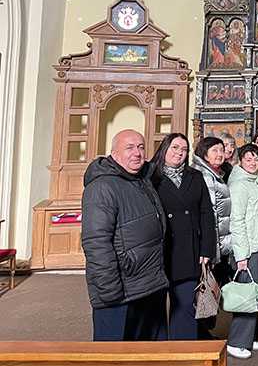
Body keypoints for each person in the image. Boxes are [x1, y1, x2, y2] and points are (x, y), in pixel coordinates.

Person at [81, 129, 167, 341]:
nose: (137, 153)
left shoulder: (143, 180)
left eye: (140, 147)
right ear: (114, 154)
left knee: (148, 354)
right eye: (129, 148)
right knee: (114, 355)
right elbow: (96, 243)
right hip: (120, 291)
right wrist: (109, 291)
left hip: (148, 285)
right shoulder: (101, 187)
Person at [149, 133, 216, 340]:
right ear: (164, 149)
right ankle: (159, 350)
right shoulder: (150, 176)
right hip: (159, 251)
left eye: (184, 149)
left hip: (189, 250)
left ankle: (183, 350)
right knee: (155, 310)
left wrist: (207, 249)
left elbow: (206, 214)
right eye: (175, 147)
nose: (180, 153)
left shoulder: (194, 176)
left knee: (185, 305)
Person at [228, 143, 258, 359]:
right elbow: (236, 222)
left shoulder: (255, 181)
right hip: (247, 249)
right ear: (240, 161)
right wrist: (241, 255)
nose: (253, 162)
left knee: (255, 294)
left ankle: (249, 336)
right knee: (245, 296)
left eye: (256, 159)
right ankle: (236, 341)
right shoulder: (239, 185)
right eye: (248, 159)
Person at [193, 136, 233, 338]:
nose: (220, 154)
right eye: (215, 150)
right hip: (210, 245)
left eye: (221, 150)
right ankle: (200, 334)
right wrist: (211, 249)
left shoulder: (217, 173)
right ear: (204, 154)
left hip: (219, 242)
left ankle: (204, 332)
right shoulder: (204, 176)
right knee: (205, 289)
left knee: (212, 289)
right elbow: (210, 215)